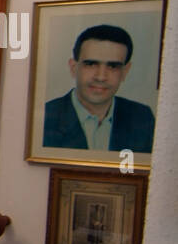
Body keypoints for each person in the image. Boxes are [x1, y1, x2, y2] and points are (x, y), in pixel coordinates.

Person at [43, 24, 155, 153]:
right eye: (91, 64)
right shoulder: (45, 117)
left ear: (125, 72)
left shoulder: (142, 117)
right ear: (74, 68)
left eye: (113, 66)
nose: (101, 77)